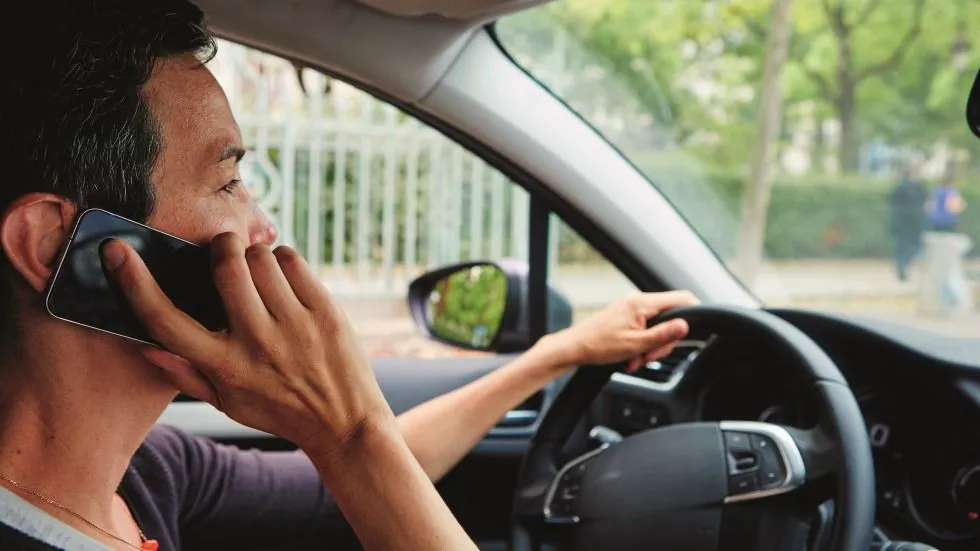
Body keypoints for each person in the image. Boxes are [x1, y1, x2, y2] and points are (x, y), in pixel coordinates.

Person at [0, 2, 697, 550]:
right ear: (58, 244)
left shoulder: (144, 474)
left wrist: (556, 354)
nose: (265, 228)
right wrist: (351, 431)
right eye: (229, 182)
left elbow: (350, 484)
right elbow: (362, 462)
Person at [888, 164, 928, 281]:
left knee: (902, 245)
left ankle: (902, 264)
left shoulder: (899, 188)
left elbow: (892, 202)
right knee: (914, 245)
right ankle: (904, 264)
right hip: (914, 221)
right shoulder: (920, 188)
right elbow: (925, 203)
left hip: (901, 221)